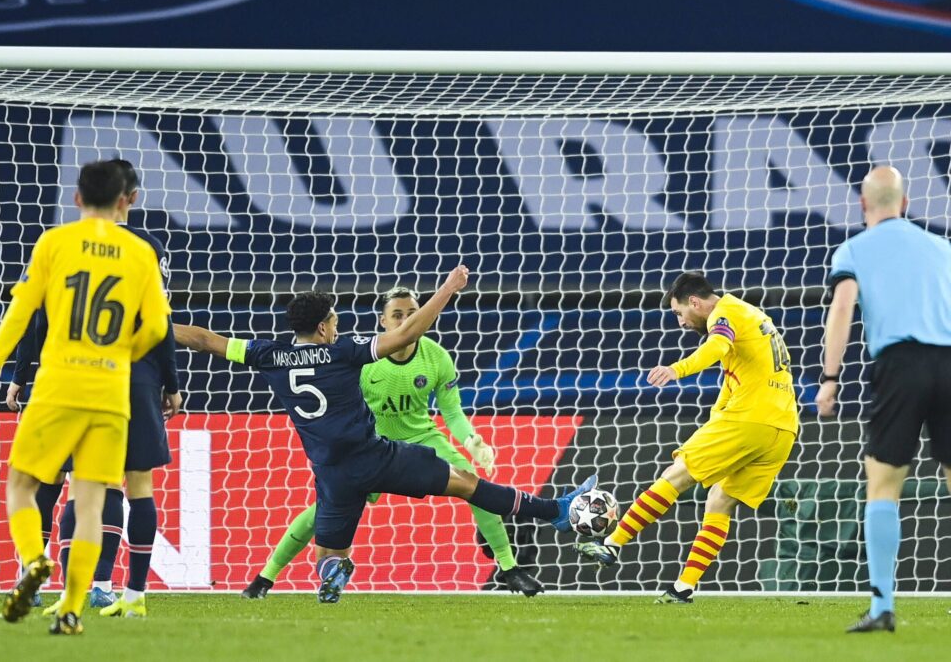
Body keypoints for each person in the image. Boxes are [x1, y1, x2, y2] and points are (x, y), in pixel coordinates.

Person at [173, 269, 594, 603]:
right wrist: (447, 289)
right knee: (469, 484)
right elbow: (408, 334)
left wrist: (158, 326)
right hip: (379, 458)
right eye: (334, 321)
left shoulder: (267, 354)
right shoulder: (345, 351)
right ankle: (555, 511)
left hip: (334, 476)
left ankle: (321, 574)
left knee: (328, 554)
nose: (337, 327)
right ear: (323, 328)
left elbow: (207, 340)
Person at [0, 160, 170, 635]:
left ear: (76, 199)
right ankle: (73, 607)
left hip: (57, 385)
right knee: (93, 501)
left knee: (22, 485)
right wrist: (121, 355)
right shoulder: (140, 253)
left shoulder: (54, 243)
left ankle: (35, 562)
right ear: (125, 201)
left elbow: (21, 313)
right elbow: (158, 327)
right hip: (112, 392)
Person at [241, 287, 542, 598]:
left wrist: (471, 439)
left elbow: (451, 411)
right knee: (322, 511)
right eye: (397, 315)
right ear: (382, 321)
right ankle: (265, 577)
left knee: (471, 480)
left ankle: (509, 569)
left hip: (421, 435)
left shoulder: (436, 356)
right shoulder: (366, 359)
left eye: (412, 314)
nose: (405, 321)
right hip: (372, 445)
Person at [576, 271, 798, 603]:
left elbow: (717, 345)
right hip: (783, 428)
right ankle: (683, 587)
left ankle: (612, 544)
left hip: (751, 417)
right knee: (720, 501)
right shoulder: (752, 313)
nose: (680, 322)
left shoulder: (723, 315)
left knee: (676, 475)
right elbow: (737, 372)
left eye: (679, 313)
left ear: (694, 302)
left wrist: (675, 369)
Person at [816, 165, 951, 633]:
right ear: (906, 203)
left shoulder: (853, 248)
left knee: (884, 485)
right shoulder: (943, 248)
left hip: (900, 366)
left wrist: (829, 378)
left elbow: (841, 310)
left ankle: (882, 607)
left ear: (863, 205)